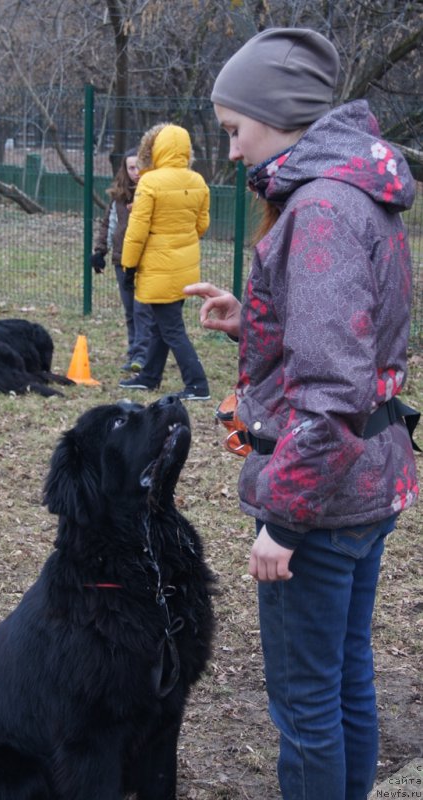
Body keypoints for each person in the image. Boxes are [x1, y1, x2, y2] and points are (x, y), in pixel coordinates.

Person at [184, 27, 419, 800]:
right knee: (345, 676)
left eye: (232, 130)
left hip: (319, 499)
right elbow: (353, 342)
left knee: (305, 703)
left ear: (277, 118)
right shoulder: (356, 194)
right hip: (366, 484)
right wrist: (252, 321)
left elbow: (328, 392)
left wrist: (282, 521)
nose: (228, 150)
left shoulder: (317, 210)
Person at [118, 123, 211, 400]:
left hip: (158, 267)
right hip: (184, 267)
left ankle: (197, 385)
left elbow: (137, 231)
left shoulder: (150, 182)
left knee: (171, 328)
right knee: (161, 324)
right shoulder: (198, 181)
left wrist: (129, 266)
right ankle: (149, 376)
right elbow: (202, 225)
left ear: (154, 149)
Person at [91, 148, 153, 373]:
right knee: (129, 310)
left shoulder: (152, 192)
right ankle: (134, 352)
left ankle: (142, 356)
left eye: (139, 166)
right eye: (131, 167)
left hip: (146, 260)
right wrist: (100, 251)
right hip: (121, 259)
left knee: (142, 309)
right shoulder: (118, 198)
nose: (136, 172)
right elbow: (108, 224)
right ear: (125, 170)